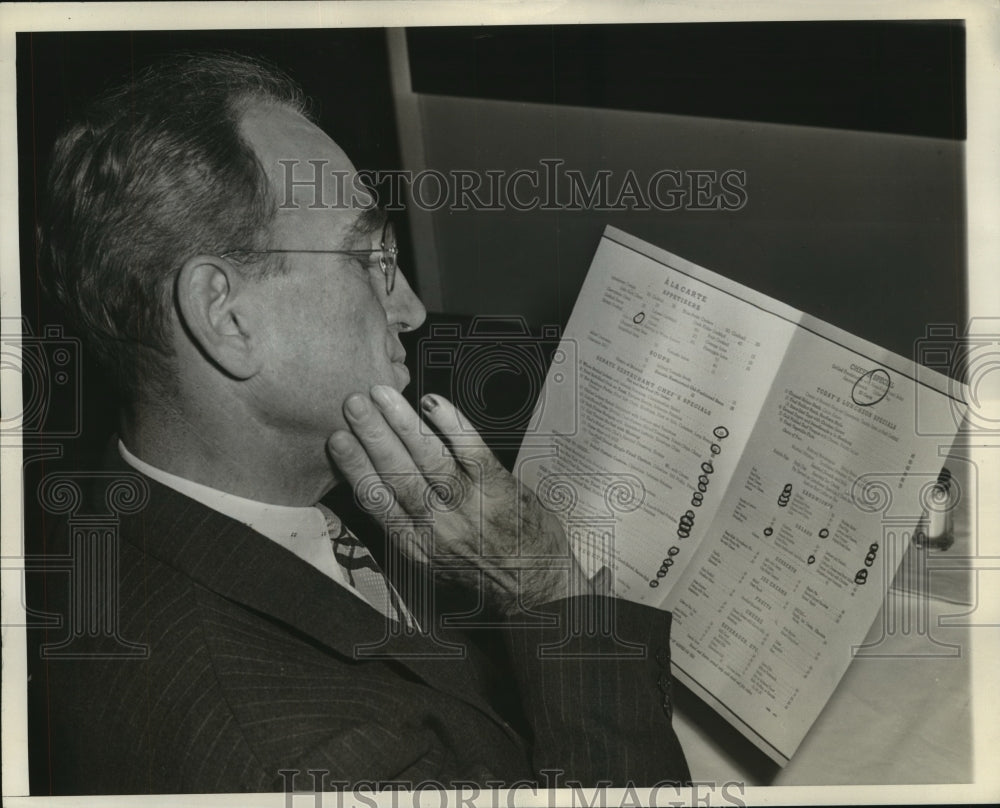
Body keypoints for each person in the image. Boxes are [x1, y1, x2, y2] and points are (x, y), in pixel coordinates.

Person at [32, 52, 689, 795]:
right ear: (226, 316)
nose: (410, 309)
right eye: (367, 258)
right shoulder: (314, 755)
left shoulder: (145, 494)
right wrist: (548, 593)